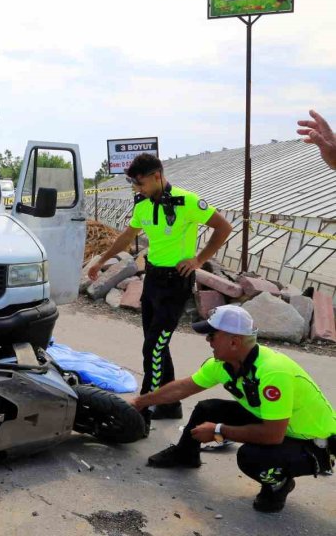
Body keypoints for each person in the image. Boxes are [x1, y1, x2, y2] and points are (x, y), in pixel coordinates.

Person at [131, 305, 335, 513]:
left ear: (234, 342)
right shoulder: (223, 364)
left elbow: (273, 435)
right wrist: (141, 402)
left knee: (252, 457)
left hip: (312, 442)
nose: (207, 341)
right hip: (276, 423)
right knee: (206, 409)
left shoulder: (273, 374)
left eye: (212, 335)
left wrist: (219, 431)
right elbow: (184, 387)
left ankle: (278, 484)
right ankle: (185, 455)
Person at [87, 154, 232, 424]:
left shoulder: (187, 201)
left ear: (157, 176)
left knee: (153, 346)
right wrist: (103, 259)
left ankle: (144, 405)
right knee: (155, 345)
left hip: (175, 283)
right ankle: (169, 404)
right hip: (152, 280)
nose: (136, 189)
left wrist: (199, 260)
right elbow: (127, 237)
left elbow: (223, 227)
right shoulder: (143, 205)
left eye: (140, 183)